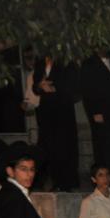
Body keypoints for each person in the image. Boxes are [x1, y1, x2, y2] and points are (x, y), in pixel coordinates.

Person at [32, 57, 79, 191]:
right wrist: (40, 86)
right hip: (46, 110)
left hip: (63, 110)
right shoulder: (40, 62)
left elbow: (73, 86)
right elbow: (35, 87)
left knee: (63, 146)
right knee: (47, 145)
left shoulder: (67, 62)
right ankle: (49, 180)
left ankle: (65, 182)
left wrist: (53, 87)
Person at [80, 51, 110, 180]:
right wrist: (94, 111)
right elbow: (87, 90)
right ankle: (103, 179)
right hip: (100, 112)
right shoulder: (89, 64)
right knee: (104, 145)